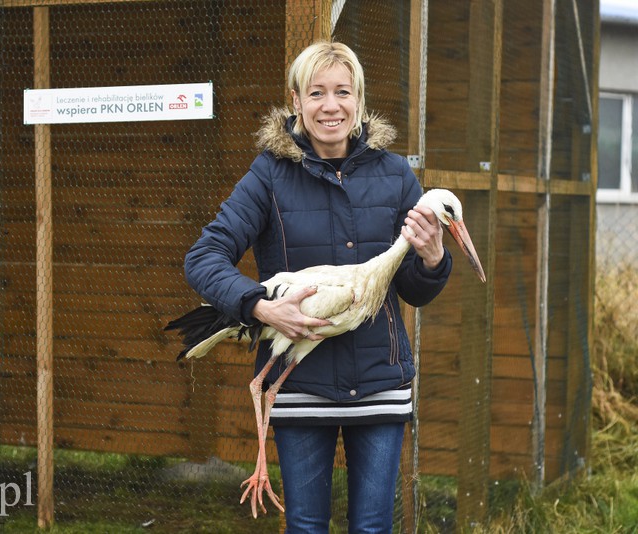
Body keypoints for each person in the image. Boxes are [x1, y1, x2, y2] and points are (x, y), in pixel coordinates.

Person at [183, 41, 452, 533]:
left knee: (372, 528)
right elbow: (203, 258)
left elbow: (413, 289)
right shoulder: (269, 175)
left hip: (380, 383)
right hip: (299, 388)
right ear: (297, 101)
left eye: (343, 92)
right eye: (317, 93)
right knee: (306, 526)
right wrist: (260, 308)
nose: (331, 106)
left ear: (359, 100)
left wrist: (433, 258)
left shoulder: (395, 176)